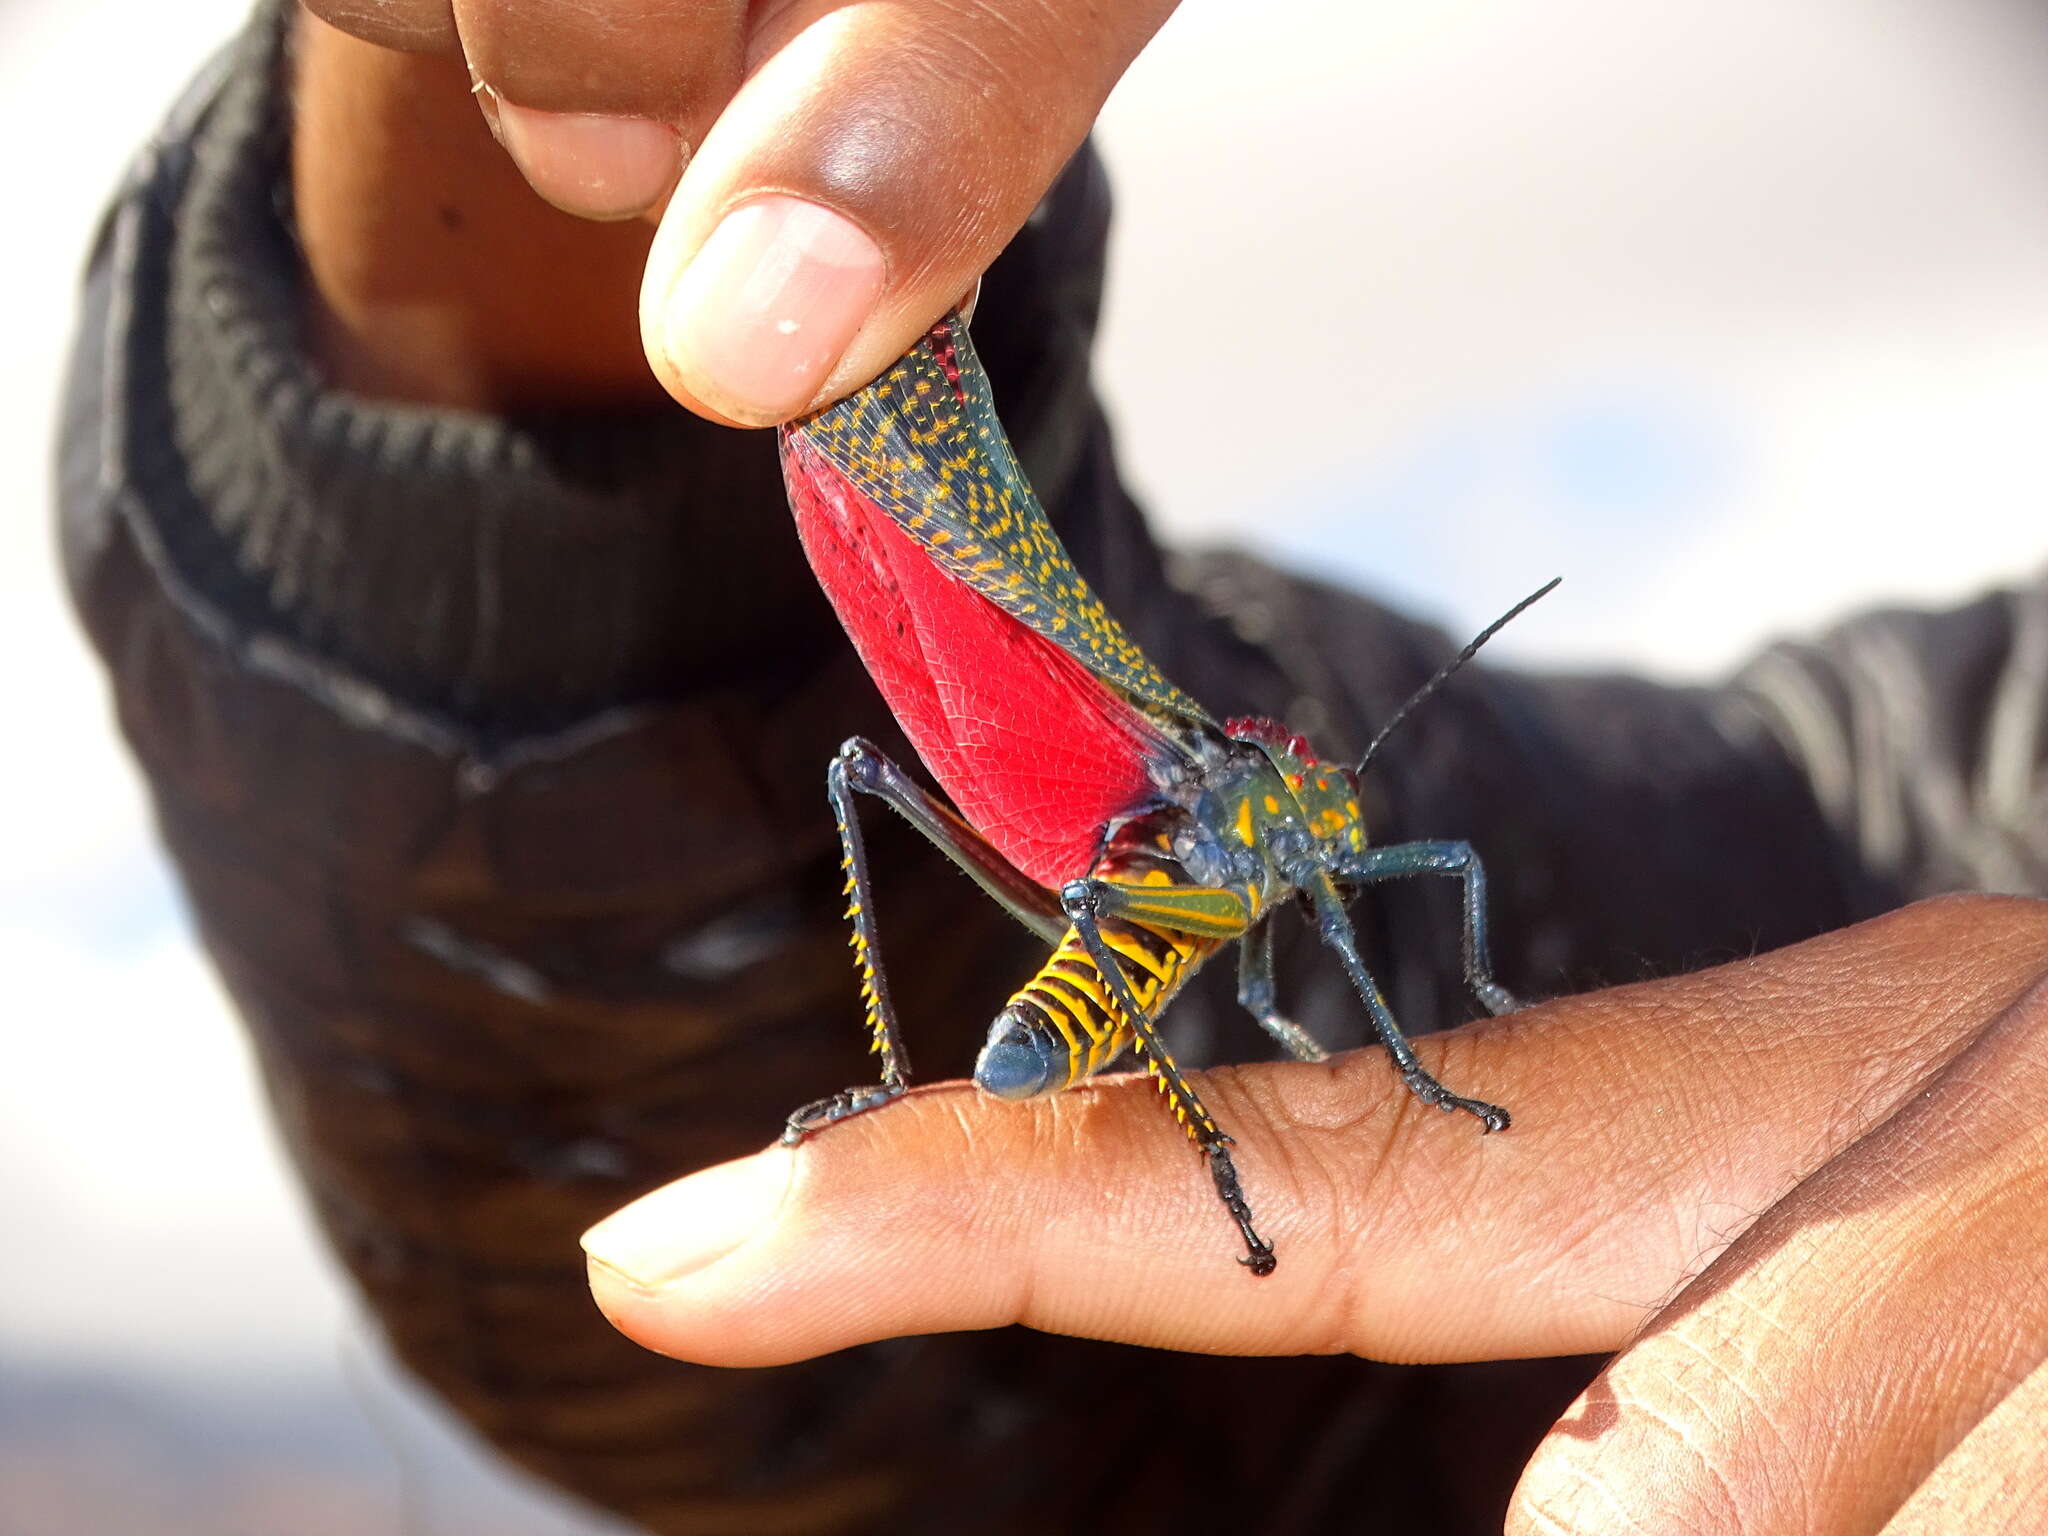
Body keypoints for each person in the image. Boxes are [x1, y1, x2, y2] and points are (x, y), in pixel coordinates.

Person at [60, 0, 2048, 1531]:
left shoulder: (1345, 853)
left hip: (1131, 964)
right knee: (904, 810)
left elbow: (1415, 935)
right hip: (1068, 932)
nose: (1329, 811)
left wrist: (1435, 1065)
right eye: (1307, 787)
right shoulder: (1882, 793)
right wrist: (622, 118)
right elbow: (1490, 903)